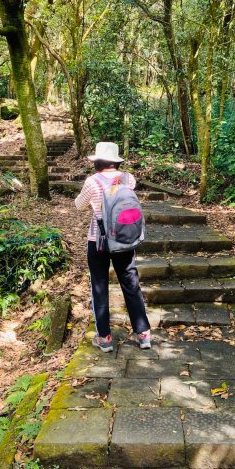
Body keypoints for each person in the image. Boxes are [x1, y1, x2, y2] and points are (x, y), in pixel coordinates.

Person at [75, 141, 151, 352]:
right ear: (116, 161)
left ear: (97, 161)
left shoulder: (92, 182)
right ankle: (143, 333)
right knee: (131, 283)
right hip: (124, 240)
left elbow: (79, 205)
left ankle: (105, 337)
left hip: (98, 241)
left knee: (99, 286)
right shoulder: (128, 178)